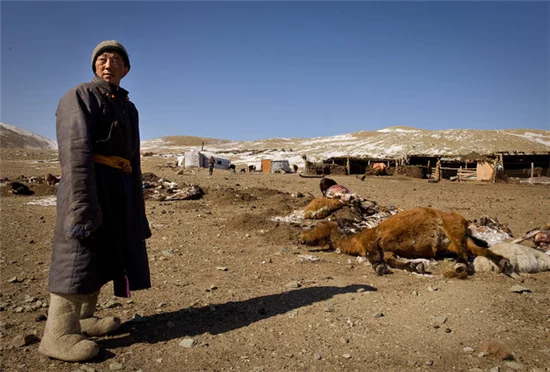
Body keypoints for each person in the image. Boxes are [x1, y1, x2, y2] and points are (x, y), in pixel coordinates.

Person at [38, 40, 152, 362]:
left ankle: (84, 319)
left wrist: (136, 209)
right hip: (88, 186)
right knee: (77, 253)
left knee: (104, 253)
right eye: (102, 59)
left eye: (116, 60)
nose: (108, 64)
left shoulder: (128, 108)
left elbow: (134, 161)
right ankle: (57, 334)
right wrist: (81, 204)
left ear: (126, 69)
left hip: (120, 190)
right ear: (94, 66)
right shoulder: (81, 96)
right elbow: (75, 154)